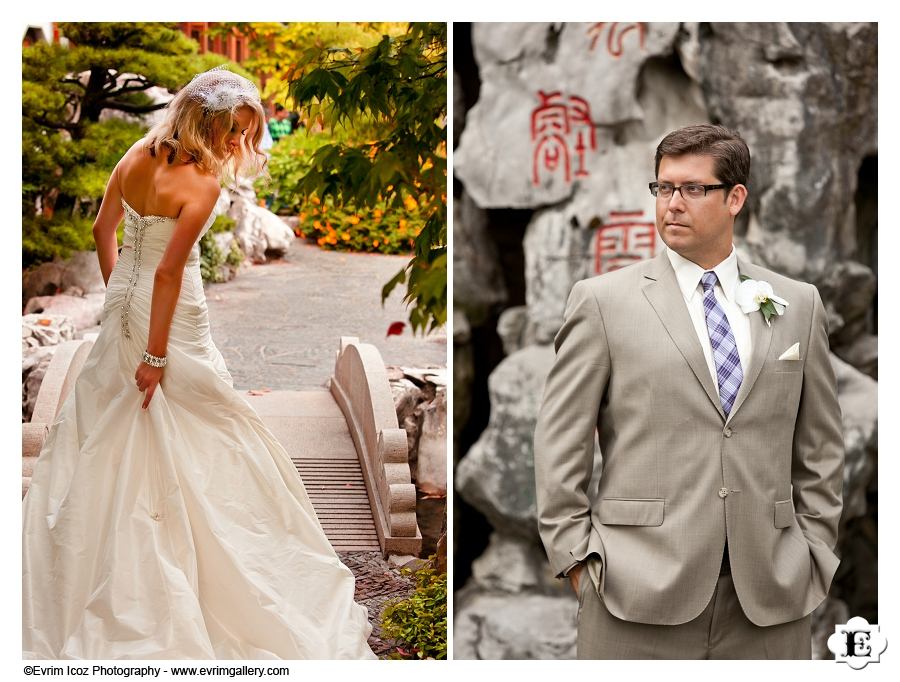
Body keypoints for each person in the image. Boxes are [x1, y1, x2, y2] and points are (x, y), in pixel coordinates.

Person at [22, 65, 376, 660]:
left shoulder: (136, 154)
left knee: (116, 430)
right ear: (206, 123)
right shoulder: (203, 185)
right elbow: (166, 273)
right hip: (172, 318)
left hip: (126, 308)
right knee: (200, 421)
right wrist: (157, 354)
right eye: (234, 131)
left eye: (245, 132)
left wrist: (118, 298)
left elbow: (101, 228)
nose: (239, 144)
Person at [533, 124, 844, 659]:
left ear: (735, 198)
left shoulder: (799, 302)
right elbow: (561, 439)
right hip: (633, 589)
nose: (672, 204)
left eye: (693, 189)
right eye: (663, 188)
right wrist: (576, 561)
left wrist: (813, 550)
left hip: (771, 595)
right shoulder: (603, 302)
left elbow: (821, 446)